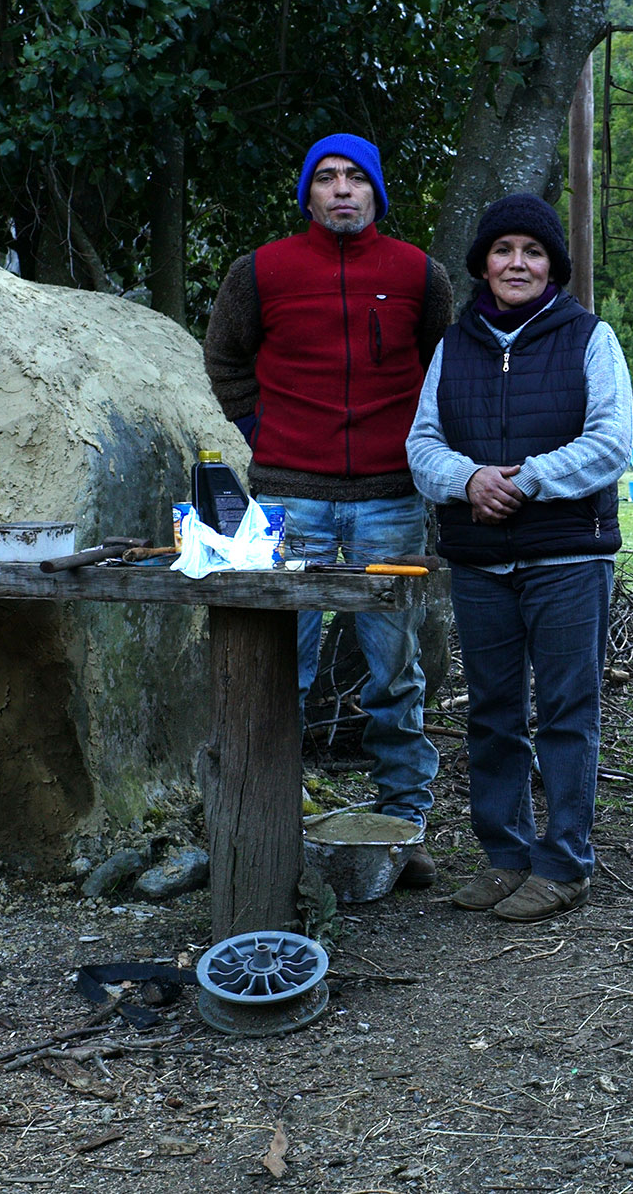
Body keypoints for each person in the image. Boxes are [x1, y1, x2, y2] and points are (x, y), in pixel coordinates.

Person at [204, 132, 452, 887]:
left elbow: (445, 367)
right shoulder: (262, 271)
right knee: (281, 667)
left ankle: (403, 826)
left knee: (395, 672)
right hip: (287, 500)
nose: (342, 190)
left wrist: (419, 445)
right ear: (308, 194)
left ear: (377, 193)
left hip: (390, 500)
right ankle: (263, 823)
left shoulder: (419, 274)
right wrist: (259, 432)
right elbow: (223, 356)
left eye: (356, 179)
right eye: (327, 178)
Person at [405, 193, 633, 923]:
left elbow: (611, 443)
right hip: (480, 563)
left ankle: (564, 863)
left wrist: (524, 480)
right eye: (504, 250)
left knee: (568, 710)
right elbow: (421, 446)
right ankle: (505, 855)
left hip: (567, 557)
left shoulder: (589, 338)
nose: (517, 263)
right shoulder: (454, 344)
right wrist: (467, 480)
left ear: (552, 266)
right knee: (494, 713)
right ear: (482, 263)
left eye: (533, 252)